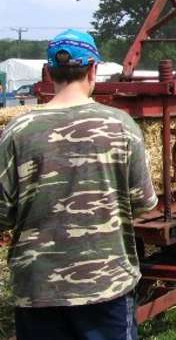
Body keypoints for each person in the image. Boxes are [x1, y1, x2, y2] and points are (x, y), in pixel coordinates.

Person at [0, 29, 158, 340]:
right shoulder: (122, 127)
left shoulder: (17, 132)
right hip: (105, 287)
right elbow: (143, 204)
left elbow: (2, 214)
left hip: (38, 289)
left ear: (49, 72)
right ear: (93, 70)